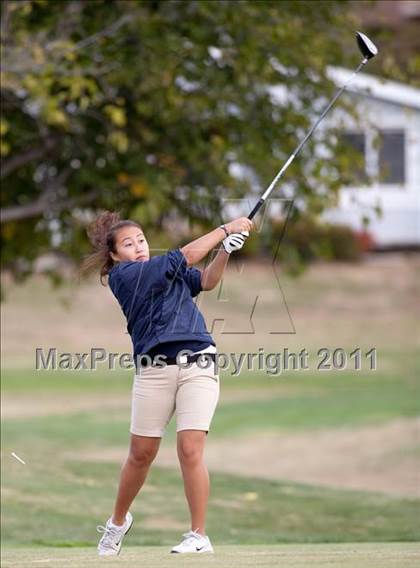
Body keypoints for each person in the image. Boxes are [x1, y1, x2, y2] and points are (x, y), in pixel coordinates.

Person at [80, 211, 253, 555]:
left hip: (199, 361)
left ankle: (198, 535)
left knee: (190, 449)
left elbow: (204, 282)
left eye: (141, 240)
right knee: (141, 454)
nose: (139, 247)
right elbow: (184, 257)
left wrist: (226, 251)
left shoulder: (165, 270)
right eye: (128, 244)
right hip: (154, 368)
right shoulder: (125, 277)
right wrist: (224, 230)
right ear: (115, 256)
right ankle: (117, 522)